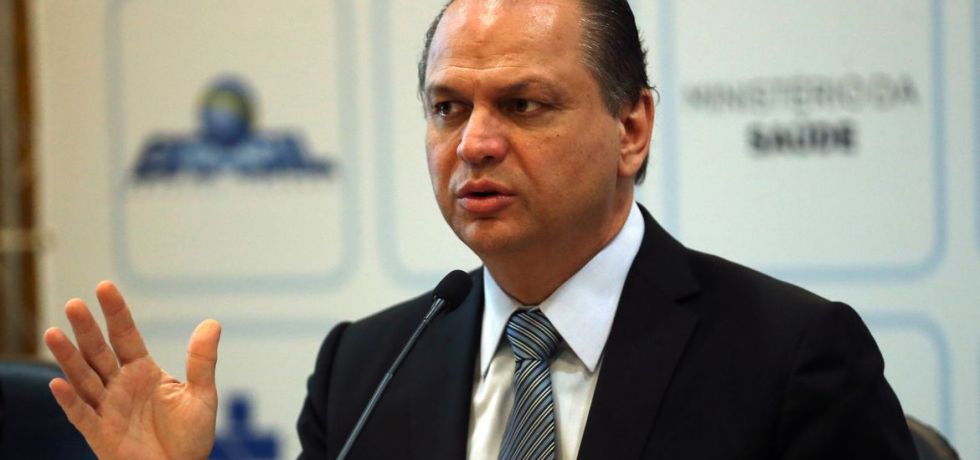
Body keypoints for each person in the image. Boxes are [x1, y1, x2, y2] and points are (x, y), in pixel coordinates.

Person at [44, 0, 919, 459]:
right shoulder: (365, 370)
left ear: (631, 128)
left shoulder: (789, 358)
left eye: (523, 104)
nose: (474, 143)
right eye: (447, 107)